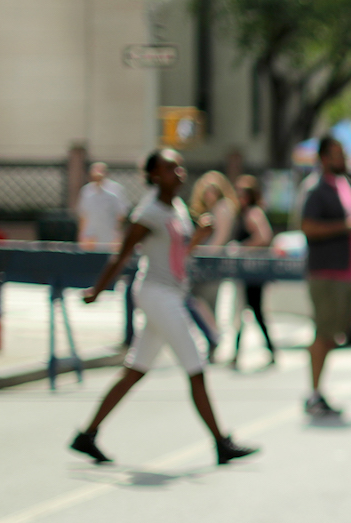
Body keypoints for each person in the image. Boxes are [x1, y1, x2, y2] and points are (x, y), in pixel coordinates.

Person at [69, 150, 257, 466]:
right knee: (196, 366)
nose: (179, 173)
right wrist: (97, 290)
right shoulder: (149, 212)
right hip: (158, 294)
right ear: (154, 175)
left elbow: (179, 253)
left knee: (135, 370)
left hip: (169, 292)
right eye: (170, 168)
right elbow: (123, 253)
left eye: (180, 167)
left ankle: (86, 435)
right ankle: (221, 443)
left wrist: (198, 236)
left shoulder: (177, 208)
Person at [300, 136, 351, 420]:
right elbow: (308, 227)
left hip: (344, 271)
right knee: (323, 334)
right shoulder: (316, 188)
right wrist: (346, 226)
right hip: (325, 273)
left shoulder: (343, 185)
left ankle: (318, 391)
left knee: (333, 334)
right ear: (324, 157)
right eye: (336, 154)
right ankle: (313, 393)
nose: (342, 159)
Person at [188, 171, 239, 360]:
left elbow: (218, 240)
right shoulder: (212, 210)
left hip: (212, 263)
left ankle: (213, 339)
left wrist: (198, 252)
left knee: (206, 300)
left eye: (212, 190)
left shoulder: (223, 208)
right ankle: (212, 339)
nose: (208, 195)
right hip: (206, 261)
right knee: (200, 301)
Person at [229, 174, 277, 369]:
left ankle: (245, 352)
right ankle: (238, 353)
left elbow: (264, 237)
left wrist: (242, 247)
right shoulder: (244, 213)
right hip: (246, 270)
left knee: (251, 311)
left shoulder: (253, 214)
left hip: (253, 270)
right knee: (246, 311)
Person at [76, 162, 128, 249]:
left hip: (109, 234)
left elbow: (121, 214)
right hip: (91, 235)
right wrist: (82, 234)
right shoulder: (86, 190)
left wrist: (117, 234)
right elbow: (83, 214)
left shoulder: (115, 190)